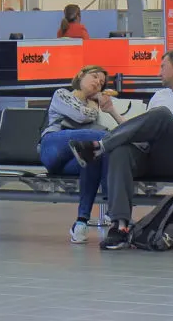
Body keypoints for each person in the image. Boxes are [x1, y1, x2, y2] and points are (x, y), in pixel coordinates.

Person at [70, 50, 173, 251]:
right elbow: (138, 131)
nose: (159, 72)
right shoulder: (159, 96)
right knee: (121, 151)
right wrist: (112, 111)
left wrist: (172, 131)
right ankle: (120, 226)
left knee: (162, 116)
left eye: (162, 66)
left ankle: (101, 146)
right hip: (149, 155)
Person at [38, 65, 124, 244]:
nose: (97, 83)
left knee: (95, 156)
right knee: (106, 139)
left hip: (71, 161)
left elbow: (120, 126)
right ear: (80, 75)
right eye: (94, 77)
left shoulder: (97, 109)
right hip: (52, 146)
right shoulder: (62, 94)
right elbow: (81, 116)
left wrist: (110, 110)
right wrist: (94, 103)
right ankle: (111, 205)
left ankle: (81, 222)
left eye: (101, 83)